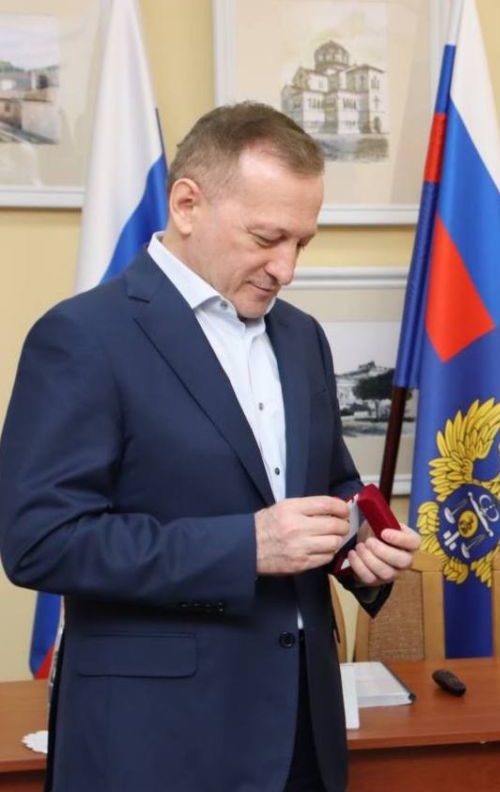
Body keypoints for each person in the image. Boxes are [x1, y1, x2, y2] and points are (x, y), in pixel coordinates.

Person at [0, 102, 421, 792]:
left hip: (303, 732)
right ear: (187, 205)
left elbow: (328, 487)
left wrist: (361, 549)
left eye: (302, 243)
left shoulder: (302, 338)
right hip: (156, 744)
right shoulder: (83, 337)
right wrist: (245, 546)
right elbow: (40, 542)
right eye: (267, 237)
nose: (286, 268)